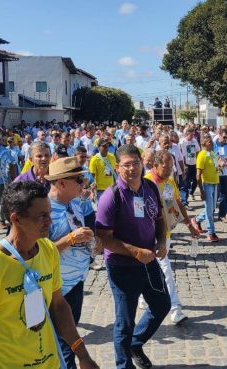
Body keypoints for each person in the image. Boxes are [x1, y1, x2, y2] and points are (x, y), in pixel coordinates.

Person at [0, 181, 100, 369]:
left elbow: (59, 306)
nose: (49, 221)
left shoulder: (48, 250)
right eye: (42, 216)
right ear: (16, 219)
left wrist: (82, 355)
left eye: (49, 213)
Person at [95, 144, 170, 369]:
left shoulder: (150, 187)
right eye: (126, 165)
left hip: (149, 264)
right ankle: (123, 365)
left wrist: (162, 241)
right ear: (118, 168)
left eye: (136, 163)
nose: (132, 169)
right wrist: (136, 252)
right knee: (124, 323)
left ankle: (136, 344)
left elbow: (159, 218)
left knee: (162, 305)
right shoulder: (111, 197)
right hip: (122, 267)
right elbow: (103, 238)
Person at [45, 157, 97, 369]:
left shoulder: (76, 204)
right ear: (61, 182)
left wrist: (94, 243)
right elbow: (35, 253)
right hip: (55, 287)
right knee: (65, 345)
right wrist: (70, 239)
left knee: (70, 333)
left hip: (76, 281)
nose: (83, 183)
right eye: (78, 179)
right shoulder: (43, 210)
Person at [141, 151, 201, 324]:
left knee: (149, 268)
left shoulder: (169, 181)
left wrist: (190, 225)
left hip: (165, 233)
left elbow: (177, 203)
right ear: (155, 165)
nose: (169, 171)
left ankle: (143, 298)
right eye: (166, 167)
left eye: (171, 167)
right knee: (166, 270)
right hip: (148, 235)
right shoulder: (145, 182)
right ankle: (175, 309)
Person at [196, 136, 220, 242]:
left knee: (211, 208)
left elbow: (216, 167)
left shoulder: (213, 153)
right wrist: (201, 190)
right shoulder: (201, 155)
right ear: (204, 143)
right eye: (209, 142)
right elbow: (198, 175)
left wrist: (220, 166)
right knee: (209, 210)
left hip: (215, 183)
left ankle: (196, 219)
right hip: (207, 184)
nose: (212, 143)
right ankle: (211, 232)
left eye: (212, 141)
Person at [179, 127, 200, 206]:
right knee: (186, 183)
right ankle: (185, 201)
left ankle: (192, 192)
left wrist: (198, 162)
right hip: (187, 165)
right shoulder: (182, 142)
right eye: (191, 135)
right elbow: (181, 155)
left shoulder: (194, 141)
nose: (192, 136)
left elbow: (198, 151)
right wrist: (184, 165)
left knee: (195, 181)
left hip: (194, 164)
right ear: (187, 134)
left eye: (193, 135)